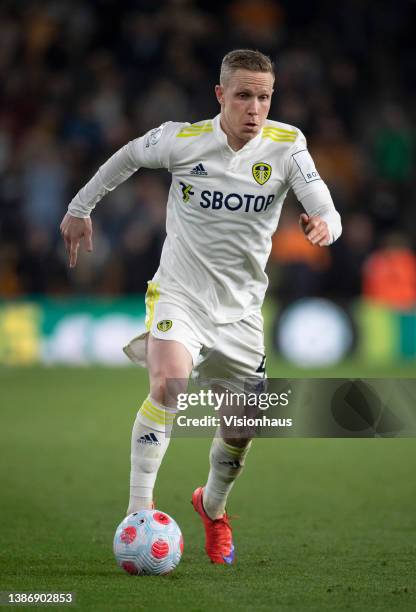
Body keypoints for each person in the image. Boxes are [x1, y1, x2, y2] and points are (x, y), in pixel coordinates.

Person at [60, 49, 342, 565]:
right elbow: (126, 156)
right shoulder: (182, 140)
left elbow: (325, 206)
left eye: (263, 97)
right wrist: (80, 208)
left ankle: (212, 508)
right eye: (243, 96)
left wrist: (325, 227)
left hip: (240, 313)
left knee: (243, 428)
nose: (254, 108)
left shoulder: (288, 145)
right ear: (220, 96)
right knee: (169, 384)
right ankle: (137, 514)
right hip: (180, 294)